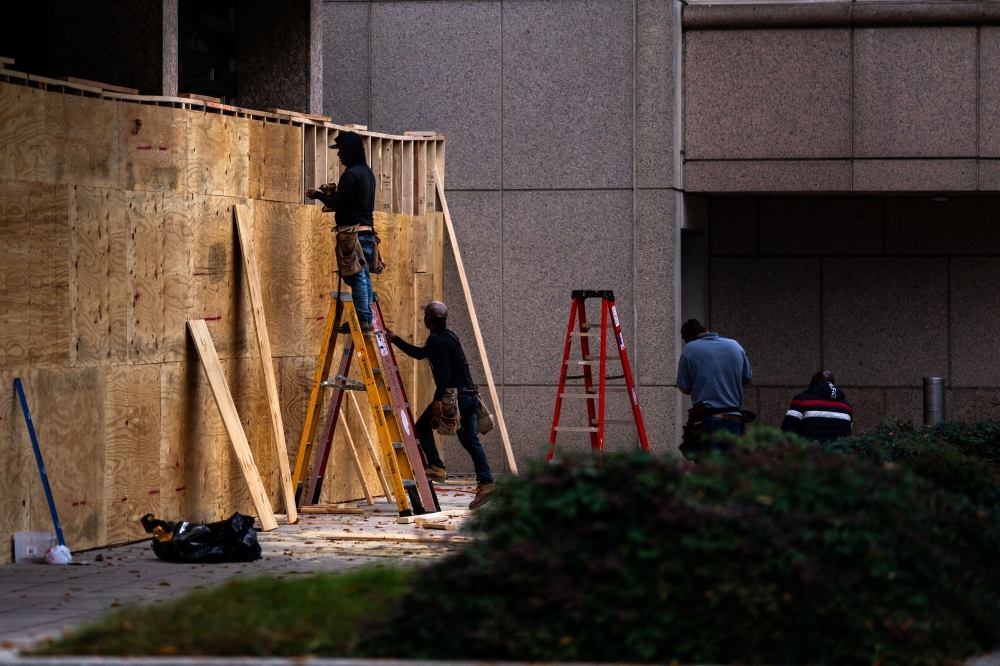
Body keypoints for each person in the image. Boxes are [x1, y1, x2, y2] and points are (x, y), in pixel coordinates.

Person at [384, 301, 497, 510]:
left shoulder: (437, 341)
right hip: (468, 395)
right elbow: (420, 354)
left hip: (456, 398)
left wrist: (438, 398)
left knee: (423, 426)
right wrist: (395, 339)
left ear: (428, 319)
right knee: (471, 441)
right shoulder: (447, 336)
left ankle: (437, 467)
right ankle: (487, 484)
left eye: (424, 316)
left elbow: (444, 371)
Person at [306, 131, 376, 332]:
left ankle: (363, 321)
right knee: (363, 276)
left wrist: (318, 195)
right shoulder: (367, 173)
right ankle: (367, 317)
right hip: (368, 233)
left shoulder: (351, 175)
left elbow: (337, 203)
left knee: (356, 276)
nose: (339, 155)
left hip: (353, 234)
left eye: (342, 151)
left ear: (350, 151)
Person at [676, 319, 753, 440]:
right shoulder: (735, 345)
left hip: (709, 419)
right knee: (732, 458)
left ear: (689, 340)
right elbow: (747, 379)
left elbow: (683, 387)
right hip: (735, 418)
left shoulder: (690, 348)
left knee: (709, 458)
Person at [780, 370, 852, 442]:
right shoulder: (847, 406)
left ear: (813, 382)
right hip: (837, 453)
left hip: (809, 452)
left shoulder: (802, 399)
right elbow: (848, 434)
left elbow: (788, 428)